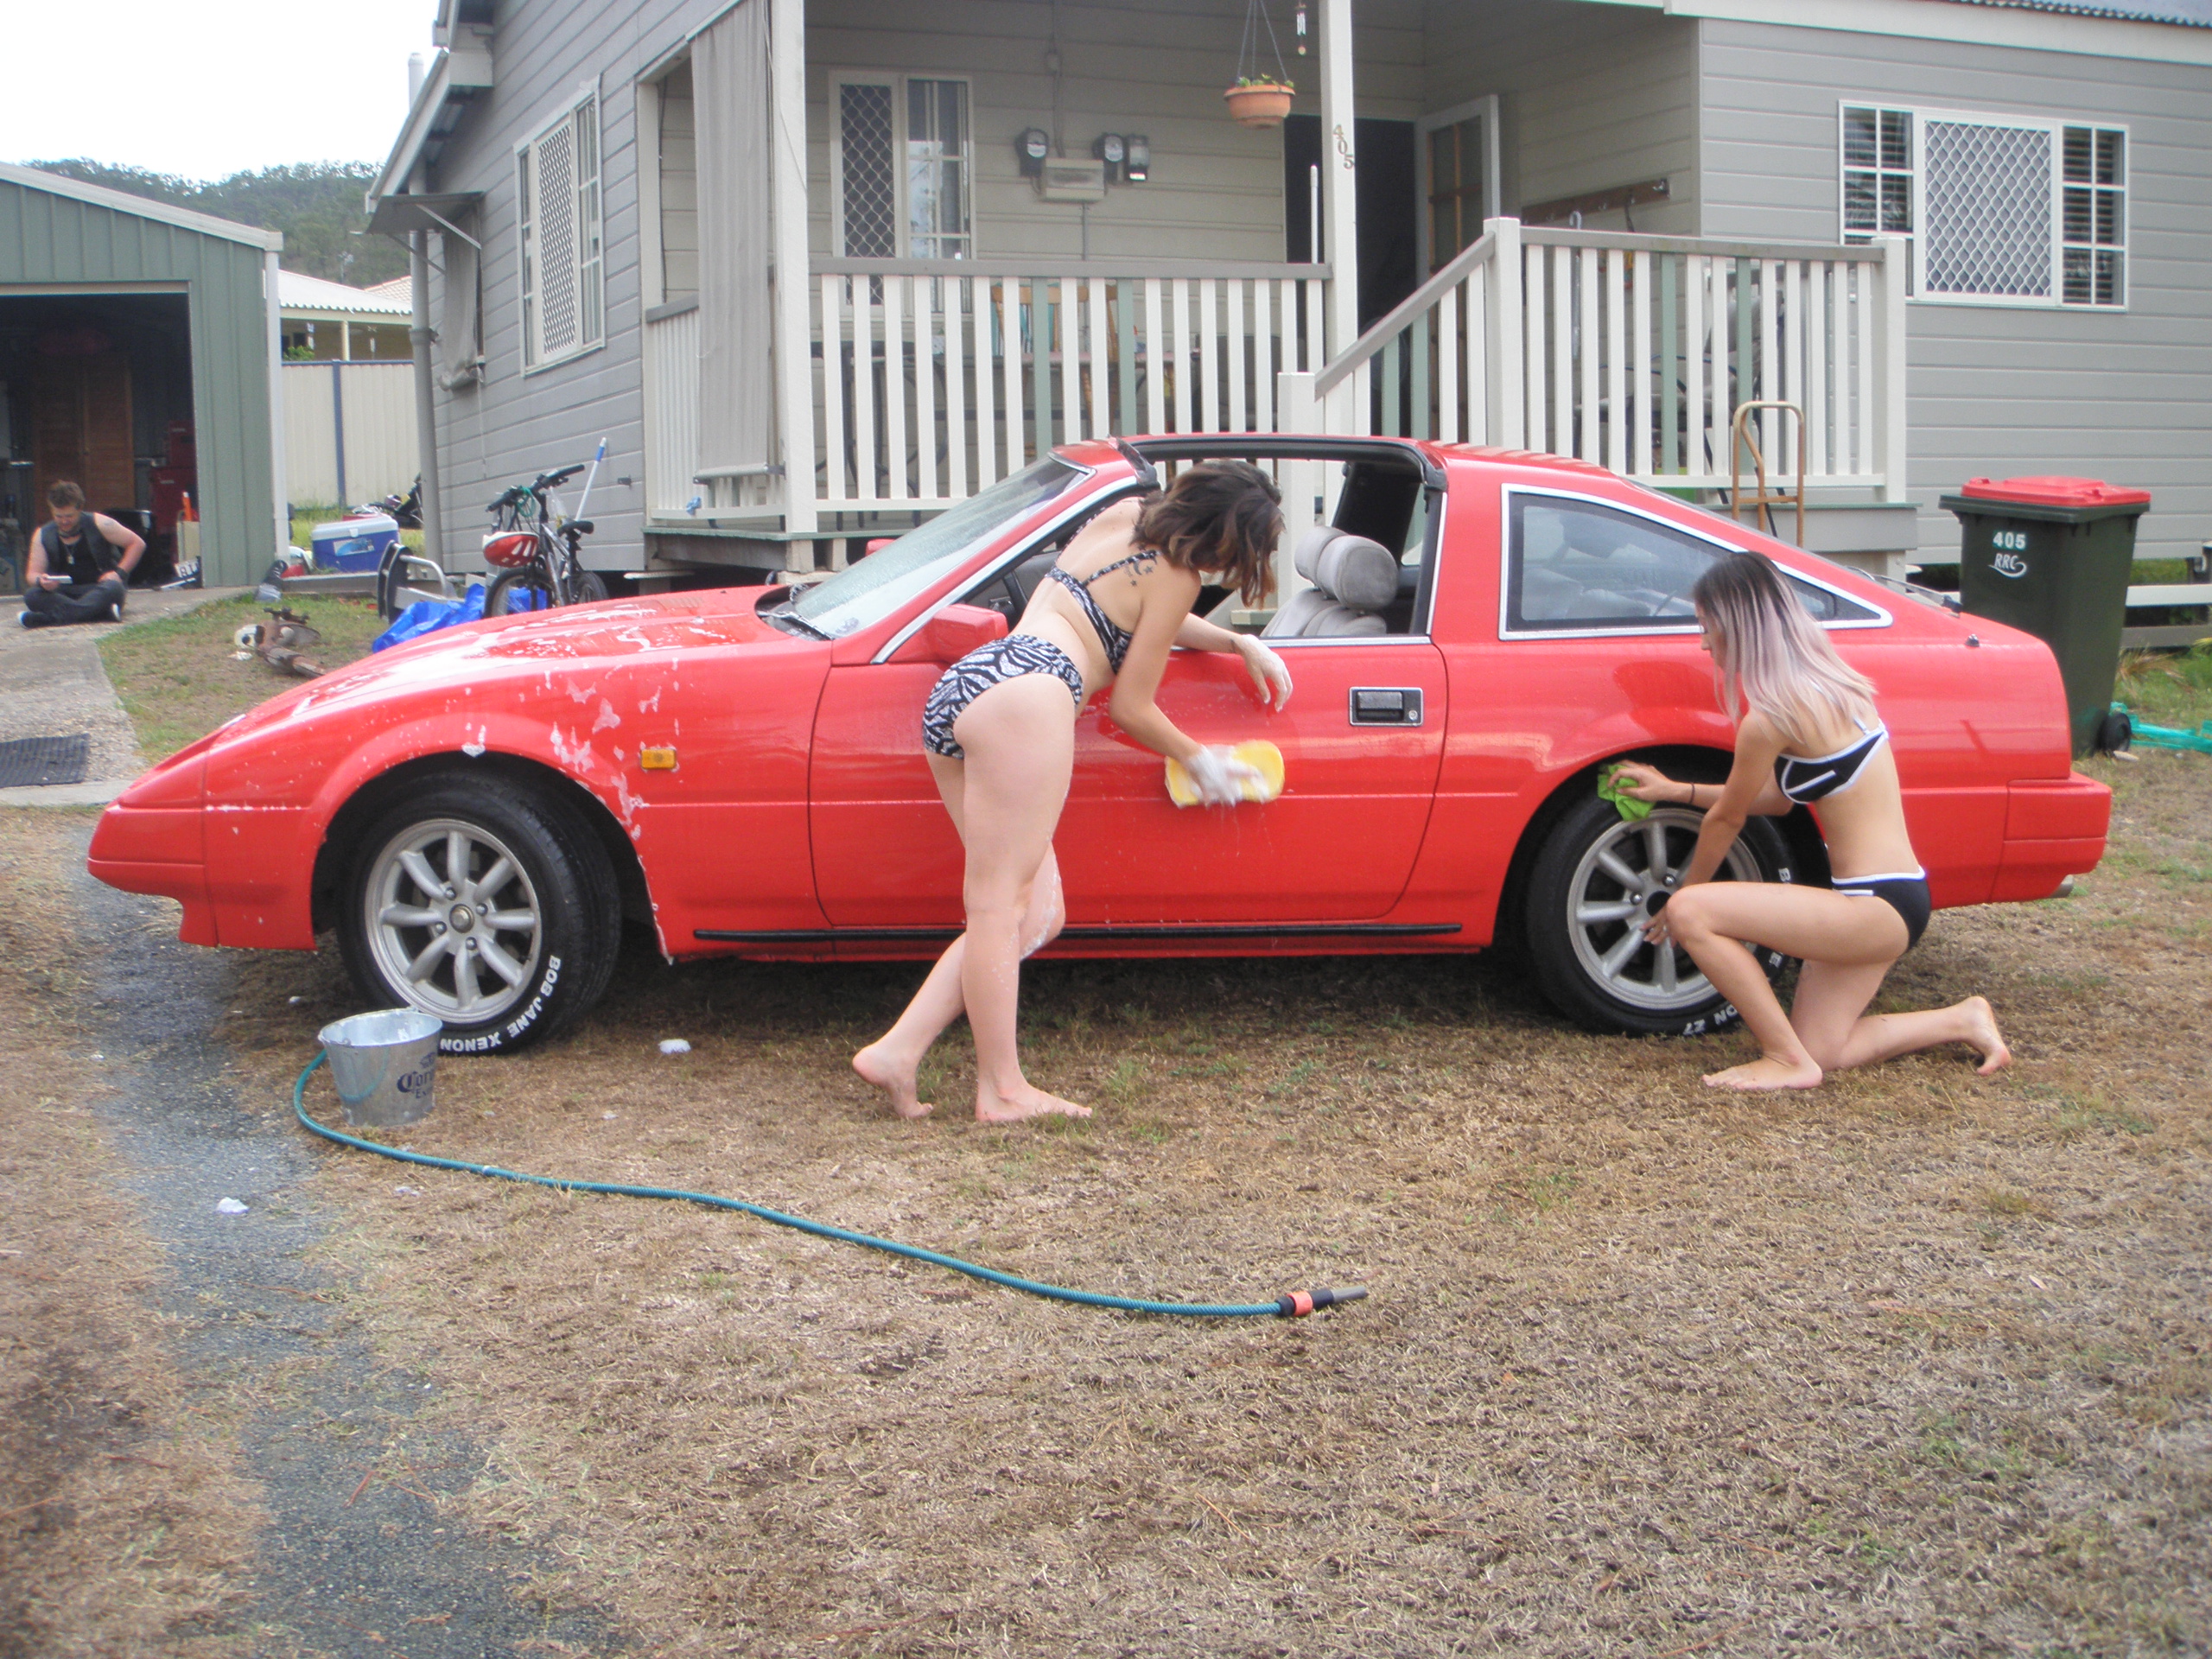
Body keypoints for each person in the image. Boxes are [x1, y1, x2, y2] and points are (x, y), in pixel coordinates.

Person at [855, 461, 1295, 1122]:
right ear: (1225, 536)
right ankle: (1001, 1091)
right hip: (1031, 699)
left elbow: (1136, 615)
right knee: (1000, 906)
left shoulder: (1119, 519)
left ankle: (899, 1049)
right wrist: (1200, 760)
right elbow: (1132, 707)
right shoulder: (1179, 578)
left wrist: (1234, 640)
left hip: (976, 680)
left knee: (1031, 913)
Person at [1614, 551, 2010, 1091]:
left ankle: (1783, 1059)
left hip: (1870, 908)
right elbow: (1777, 800)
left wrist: (1681, 899)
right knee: (1828, 1048)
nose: (1705, 644)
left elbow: (1729, 818)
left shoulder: (1772, 717)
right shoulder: (1833, 687)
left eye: (1708, 628)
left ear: (1739, 627)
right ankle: (1961, 1019)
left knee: (1692, 912)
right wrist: (1675, 790)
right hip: (1892, 899)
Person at [22, 480, 143, 628]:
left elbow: (137, 543)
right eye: (59, 516)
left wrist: (119, 573)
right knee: (32, 595)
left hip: (99, 588)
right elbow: (32, 574)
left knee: (115, 588)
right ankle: (102, 614)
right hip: (62, 592)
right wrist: (42, 581)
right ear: (52, 511)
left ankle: (50, 619)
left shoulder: (100, 523)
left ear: (80, 509)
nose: (64, 521)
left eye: (69, 516)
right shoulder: (43, 534)